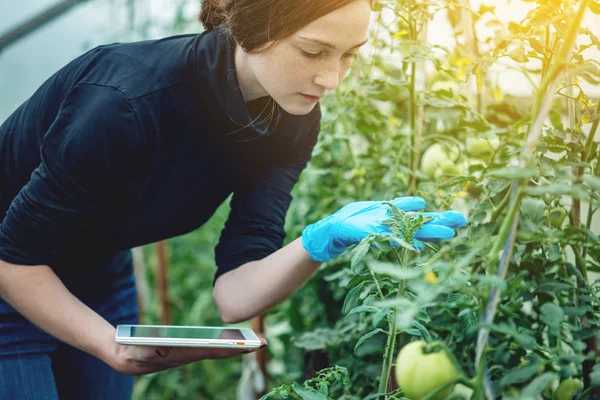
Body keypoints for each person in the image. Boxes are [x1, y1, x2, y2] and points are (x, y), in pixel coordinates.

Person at [0, 0, 467, 398]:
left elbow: (235, 295)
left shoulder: (291, 118)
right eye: (313, 50)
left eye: (349, 56)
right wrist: (108, 344)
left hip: (101, 275)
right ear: (250, 29)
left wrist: (319, 242)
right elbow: (14, 257)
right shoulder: (125, 100)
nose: (332, 78)